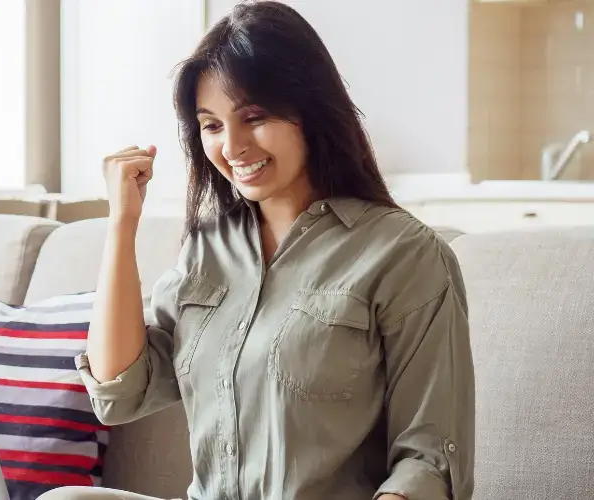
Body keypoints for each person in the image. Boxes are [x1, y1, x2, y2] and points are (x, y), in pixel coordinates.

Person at [39, 2, 474, 500]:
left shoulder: (405, 254)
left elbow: (428, 460)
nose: (233, 147)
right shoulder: (208, 248)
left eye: (254, 116)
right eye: (212, 125)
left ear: (310, 110)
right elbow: (119, 390)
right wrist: (122, 223)